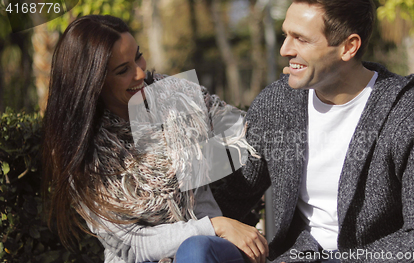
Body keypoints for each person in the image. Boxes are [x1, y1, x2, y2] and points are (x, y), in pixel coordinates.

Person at [212, 0, 414, 262]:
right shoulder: (277, 103)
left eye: (301, 39)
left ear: (348, 47)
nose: (285, 49)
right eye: (286, 35)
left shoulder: (412, 115)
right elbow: (230, 195)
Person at [42, 15, 268, 263]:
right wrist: (215, 225)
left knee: (194, 251)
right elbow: (133, 246)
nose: (141, 72)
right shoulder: (80, 152)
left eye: (138, 56)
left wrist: (227, 215)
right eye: (123, 70)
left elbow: (249, 138)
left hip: (207, 251)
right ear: (94, 82)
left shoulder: (177, 98)